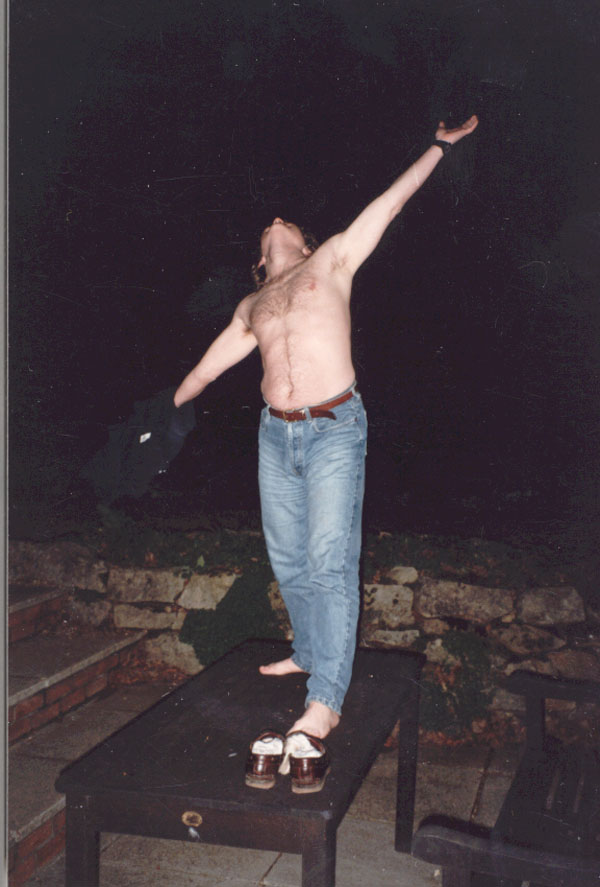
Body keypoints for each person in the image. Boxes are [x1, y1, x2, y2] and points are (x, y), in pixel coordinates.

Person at [175, 115, 479, 747]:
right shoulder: (251, 305)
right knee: (288, 558)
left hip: (335, 428)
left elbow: (390, 203)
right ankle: (310, 652)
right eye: (268, 226)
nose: (276, 218)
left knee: (328, 560)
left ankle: (326, 700)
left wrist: (438, 147)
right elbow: (204, 372)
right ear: (261, 258)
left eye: (286, 221)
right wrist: (156, 416)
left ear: (304, 242)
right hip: (274, 435)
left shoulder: (334, 259)